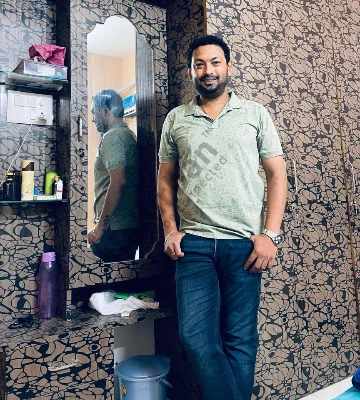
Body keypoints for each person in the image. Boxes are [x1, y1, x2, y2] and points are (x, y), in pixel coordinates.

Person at [157, 35, 287, 400]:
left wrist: (270, 235)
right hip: (194, 245)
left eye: (215, 62)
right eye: (199, 64)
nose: (208, 70)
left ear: (228, 66)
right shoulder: (176, 119)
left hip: (245, 246)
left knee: (239, 339)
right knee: (195, 337)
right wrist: (170, 229)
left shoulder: (254, 113)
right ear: (191, 71)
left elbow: (277, 175)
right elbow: (165, 180)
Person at [88, 89, 140, 263]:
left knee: (104, 279)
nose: (93, 119)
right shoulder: (127, 133)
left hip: (114, 230)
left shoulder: (113, 137)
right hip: (123, 227)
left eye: (94, 113)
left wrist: (99, 229)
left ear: (105, 110)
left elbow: (118, 183)